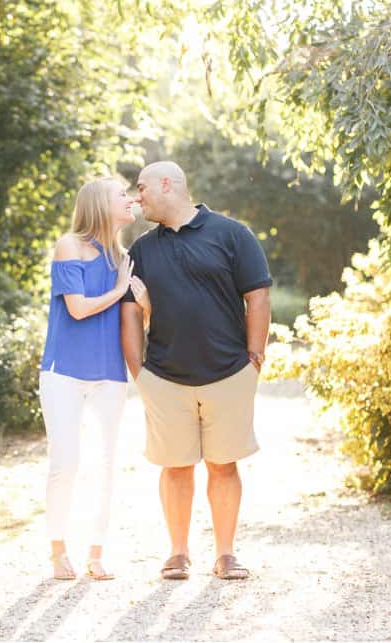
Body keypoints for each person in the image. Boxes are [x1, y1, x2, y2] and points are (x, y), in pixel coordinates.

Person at [121, 161, 271, 581]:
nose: (137, 196)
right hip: (165, 378)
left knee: (224, 465)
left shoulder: (232, 234)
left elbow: (257, 296)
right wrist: (140, 372)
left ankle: (225, 555)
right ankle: (178, 553)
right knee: (175, 466)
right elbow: (131, 314)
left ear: (168, 184)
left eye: (142, 187)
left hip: (229, 374)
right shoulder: (142, 250)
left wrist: (253, 359)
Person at [39, 177, 148, 581]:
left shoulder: (123, 256)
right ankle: (57, 550)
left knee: (106, 463)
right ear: (101, 204)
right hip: (63, 372)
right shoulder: (70, 245)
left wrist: (142, 301)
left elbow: (132, 319)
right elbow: (79, 309)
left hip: (108, 374)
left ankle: (96, 553)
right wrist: (120, 288)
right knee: (65, 463)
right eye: (122, 193)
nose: (130, 198)